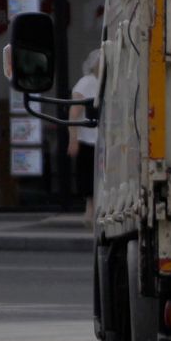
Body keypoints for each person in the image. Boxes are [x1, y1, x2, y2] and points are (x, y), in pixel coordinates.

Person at [67, 49, 101, 222]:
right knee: (88, 176)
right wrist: (73, 139)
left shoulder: (102, 82)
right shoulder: (87, 83)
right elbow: (74, 113)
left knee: (97, 175)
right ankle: (90, 210)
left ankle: (93, 211)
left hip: (98, 140)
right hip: (88, 139)